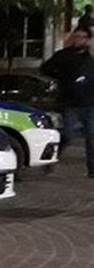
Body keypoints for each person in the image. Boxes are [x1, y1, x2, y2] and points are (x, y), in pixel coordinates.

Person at [41, 27, 94, 177]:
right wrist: (62, 78)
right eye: (76, 37)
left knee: (91, 136)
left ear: (87, 40)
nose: (78, 40)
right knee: (68, 135)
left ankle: (92, 169)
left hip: (89, 103)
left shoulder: (89, 59)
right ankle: (51, 157)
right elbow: (45, 68)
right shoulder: (63, 56)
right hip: (70, 103)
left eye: (82, 37)